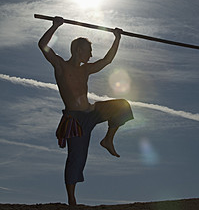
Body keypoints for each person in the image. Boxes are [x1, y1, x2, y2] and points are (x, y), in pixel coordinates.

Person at [38, 16, 134, 205]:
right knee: (76, 158)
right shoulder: (60, 66)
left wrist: (117, 38)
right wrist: (55, 26)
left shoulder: (86, 70)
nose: (91, 55)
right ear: (78, 50)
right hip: (75, 121)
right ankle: (72, 200)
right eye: (89, 51)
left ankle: (107, 139)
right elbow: (42, 45)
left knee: (122, 105)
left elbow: (107, 60)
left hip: (92, 112)